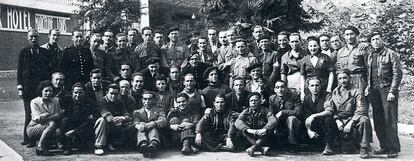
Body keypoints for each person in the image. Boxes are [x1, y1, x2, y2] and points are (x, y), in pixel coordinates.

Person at [366, 31, 402, 158]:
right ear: (371, 43)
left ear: (382, 40)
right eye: (373, 40)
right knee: (378, 119)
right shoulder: (370, 55)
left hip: (387, 90)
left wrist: (392, 91)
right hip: (374, 91)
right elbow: (369, 73)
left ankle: (393, 148)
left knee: (389, 119)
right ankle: (384, 146)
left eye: (377, 39)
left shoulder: (391, 54)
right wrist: (368, 87)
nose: (375, 41)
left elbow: (397, 74)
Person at [323, 69, 372, 158]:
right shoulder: (335, 92)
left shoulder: (356, 91)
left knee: (364, 120)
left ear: (350, 78)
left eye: (345, 78)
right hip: (339, 120)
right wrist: (337, 119)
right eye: (340, 78)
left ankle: (364, 148)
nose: (343, 81)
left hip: (352, 119)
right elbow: (329, 108)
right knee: (327, 119)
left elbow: (361, 109)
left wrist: (351, 122)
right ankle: (329, 145)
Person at [17, 29, 52, 147]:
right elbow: (19, 71)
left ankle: (41, 137)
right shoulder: (24, 52)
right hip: (27, 89)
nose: (33, 39)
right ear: (27, 38)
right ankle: (28, 138)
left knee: (41, 113)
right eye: (31, 37)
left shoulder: (44, 52)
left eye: (35, 37)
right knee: (29, 114)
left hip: (40, 89)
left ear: (39, 38)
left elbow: (48, 70)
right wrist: (20, 88)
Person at [94, 84, 134, 155]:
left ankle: (113, 143)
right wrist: (118, 120)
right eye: (111, 93)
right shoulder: (101, 101)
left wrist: (123, 118)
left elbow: (127, 114)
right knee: (102, 120)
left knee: (131, 125)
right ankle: (99, 146)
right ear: (107, 92)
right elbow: (107, 116)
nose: (113, 96)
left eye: (116, 94)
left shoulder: (119, 102)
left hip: (114, 126)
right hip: (101, 127)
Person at [59, 83, 99, 155]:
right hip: (70, 127)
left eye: (80, 92)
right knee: (65, 121)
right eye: (75, 92)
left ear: (84, 93)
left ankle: (79, 142)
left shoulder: (90, 103)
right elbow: (65, 117)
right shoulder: (67, 102)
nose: (78, 95)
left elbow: (90, 121)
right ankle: (67, 147)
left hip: (83, 129)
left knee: (86, 148)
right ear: (72, 92)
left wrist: (75, 131)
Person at [235, 92, 277, 157]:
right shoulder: (246, 111)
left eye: (256, 100)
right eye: (251, 101)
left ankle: (253, 148)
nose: (253, 102)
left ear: (260, 101)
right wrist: (248, 130)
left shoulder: (265, 110)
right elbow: (238, 121)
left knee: (269, 131)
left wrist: (265, 129)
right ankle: (261, 148)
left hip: (262, 135)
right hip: (250, 136)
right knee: (242, 131)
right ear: (249, 102)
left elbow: (273, 120)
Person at [26, 81, 63, 156]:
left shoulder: (55, 100)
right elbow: (38, 119)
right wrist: (51, 116)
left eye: (50, 91)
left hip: (49, 127)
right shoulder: (34, 102)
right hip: (34, 127)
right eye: (46, 91)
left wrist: (47, 115)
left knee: (56, 127)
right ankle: (40, 146)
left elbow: (58, 115)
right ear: (41, 91)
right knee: (52, 123)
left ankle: (42, 146)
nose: (48, 93)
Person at [268, 80, 302, 152]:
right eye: (277, 87)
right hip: (279, 123)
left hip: (293, 123)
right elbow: (271, 113)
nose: (280, 89)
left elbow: (298, 112)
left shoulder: (294, 97)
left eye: (282, 87)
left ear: (286, 88)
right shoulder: (272, 98)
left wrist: (283, 112)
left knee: (291, 118)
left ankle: (292, 144)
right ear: (274, 90)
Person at [336, 26, 370, 95]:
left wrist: (368, 85)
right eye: (347, 35)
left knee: (361, 102)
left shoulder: (362, 48)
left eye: (352, 34)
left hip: (359, 79)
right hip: (345, 81)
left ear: (356, 35)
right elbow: (339, 70)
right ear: (344, 36)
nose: (349, 37)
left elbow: (369, 68)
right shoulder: (341, 51)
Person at [133, 91, 167, 158]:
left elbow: (163, 121)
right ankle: (143, 144)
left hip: (157, 135)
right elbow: (135, 122)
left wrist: (151, 124)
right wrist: (138, 126)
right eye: (145, 99)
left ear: (154, 100)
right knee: (141, 125)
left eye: (149, 99)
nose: (147, 101)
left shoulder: (159, 110)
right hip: (142, 133)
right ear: (142, 100)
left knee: (153, 126)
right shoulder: (137, 112)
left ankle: (153, 144)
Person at [300, 36, 334, 101]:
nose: (313, 48)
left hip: (323, 87)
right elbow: (302, 76)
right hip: (309, 88)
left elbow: (331, 73)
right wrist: (302, 92)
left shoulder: (325, 57)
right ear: (308, 47)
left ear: (318, 46)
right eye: (310, 46)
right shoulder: (305, 59)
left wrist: (329, 88)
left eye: (315, 46)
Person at [302, 77, 330, 145]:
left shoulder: (327, 95)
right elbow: (305, 115)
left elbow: (329, 111)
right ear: (308, 87)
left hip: (324, 123)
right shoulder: (307, 98)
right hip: (313, 124)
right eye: (312, 85)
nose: (315, 88)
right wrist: (309, 130)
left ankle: (328, 144)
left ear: (320, 86)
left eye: (317, 85)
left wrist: (314, 115)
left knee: (328, 120)